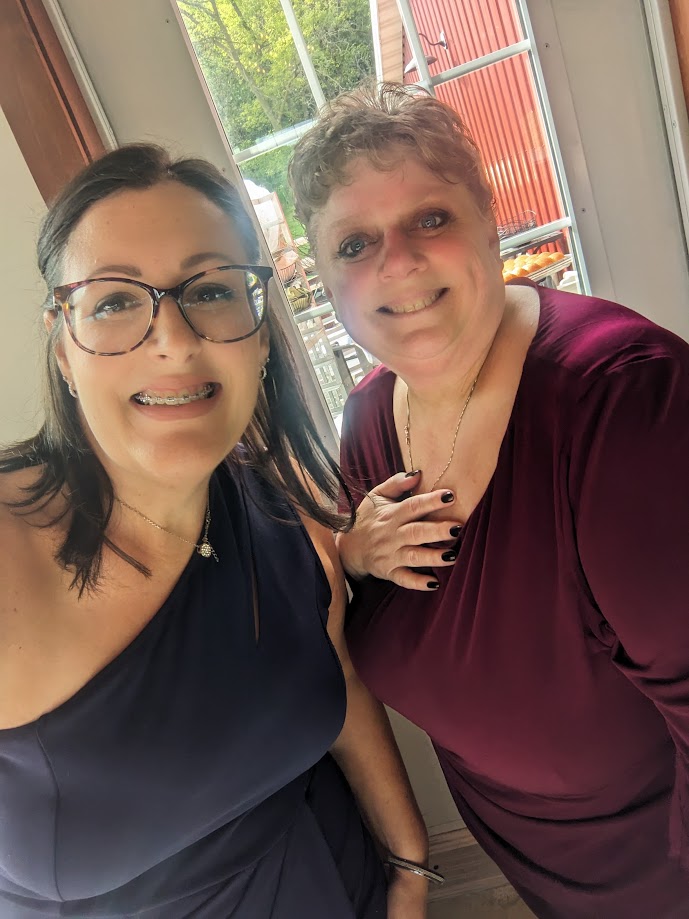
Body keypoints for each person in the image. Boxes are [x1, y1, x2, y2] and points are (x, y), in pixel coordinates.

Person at [0, 144, 433, 918]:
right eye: (112, 301)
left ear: (260, 335)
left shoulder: (287, 515)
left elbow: (339, 682)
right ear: (63, 347)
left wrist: (410, 867)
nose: (173, 339)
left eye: (209, 290)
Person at [288, 82, 689, 918]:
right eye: (355, 242)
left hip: (655, 861)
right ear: (323, 276)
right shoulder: (369, 420)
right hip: (528, 855)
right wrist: (351, 552)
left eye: (429, 218)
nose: (397, 262)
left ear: (488, 217)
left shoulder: (621, 401)